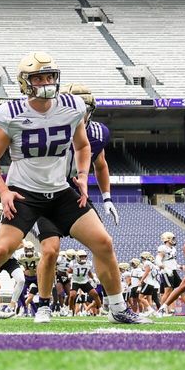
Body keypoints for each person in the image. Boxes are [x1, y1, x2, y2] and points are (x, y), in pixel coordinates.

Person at [0, 52, 149, 326]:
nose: (46, 82)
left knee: (104, 243)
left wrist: (81, 175)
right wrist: (4, 192)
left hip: (61, 192)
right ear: (25, 82)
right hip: (25, 194)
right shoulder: (12, 113)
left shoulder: (72, 106)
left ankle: (118, 308)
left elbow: (82, 145)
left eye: (50, 76)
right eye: (39, 77)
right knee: (0, 251)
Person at [33, 83, 119, 323]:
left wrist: (107, 197)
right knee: (50, 251)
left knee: (103, 243)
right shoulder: (46, 124)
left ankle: (117, 307)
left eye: (85, 108)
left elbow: (99, 164)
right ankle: (43, 305)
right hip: (43, 192)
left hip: (73, 192)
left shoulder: (97, 133)